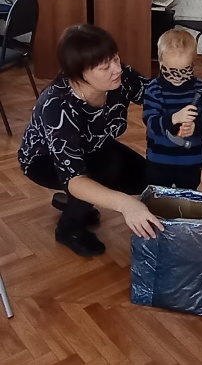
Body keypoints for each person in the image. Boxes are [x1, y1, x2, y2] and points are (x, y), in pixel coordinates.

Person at [18, 25, 164, 257]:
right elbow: (74, 178)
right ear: (80, 74)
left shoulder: (120, 77)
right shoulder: (57, 106)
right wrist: (125, 204)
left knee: (150, 179)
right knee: (106, 168)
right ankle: (69, 228)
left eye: (115, 58)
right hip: (45, 161)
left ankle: (73, 202)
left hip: (94, 146)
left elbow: (155, 95)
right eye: (105, 67)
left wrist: (187, 107)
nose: (117, 69)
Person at [143, 29, 202, 189]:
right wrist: (173, 119)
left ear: (193, 64)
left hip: (191, 161)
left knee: (187, 195)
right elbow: (151, 122)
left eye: (184, 71)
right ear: (160, 62)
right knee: (157, 196)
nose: (177, 78)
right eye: (170, 72)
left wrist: (197, 128)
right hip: (159, 161)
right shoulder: (154, 89)